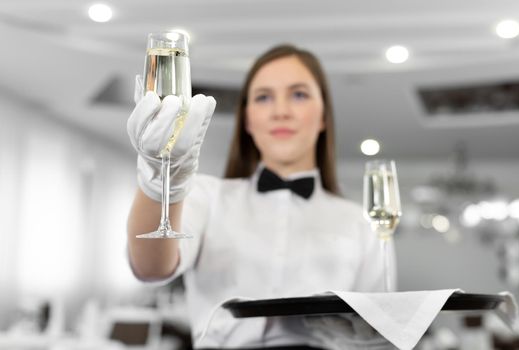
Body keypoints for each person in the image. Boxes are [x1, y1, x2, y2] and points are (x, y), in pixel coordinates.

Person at [126, 44, 388, 348]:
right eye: (263, 97)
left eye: (299, 94)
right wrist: (160, 179)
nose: (281, 111)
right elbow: (150, 268)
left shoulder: (358, 221)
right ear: (248, 119)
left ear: (323, 117)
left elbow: (376, 331)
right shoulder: (206, 196)